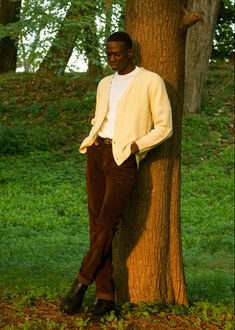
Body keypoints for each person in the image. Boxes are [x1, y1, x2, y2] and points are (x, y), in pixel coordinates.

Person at [60, 31, 173, 316]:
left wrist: (137, 145)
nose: (111, 58)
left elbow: (164, 126)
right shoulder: (104, 83)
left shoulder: (150, 81)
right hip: (97, 155)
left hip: (123, 158)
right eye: (108, 53)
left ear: (130, 52)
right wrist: (93, 136)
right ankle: (106, 298)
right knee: (97, 225)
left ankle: (80, 284)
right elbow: (103, 117)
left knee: (108, 223)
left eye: (117, 54)